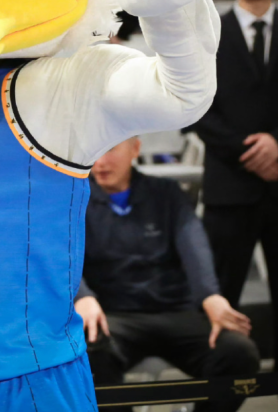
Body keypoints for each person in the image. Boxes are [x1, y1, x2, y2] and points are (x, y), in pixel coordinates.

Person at [191, 0, 278, 411]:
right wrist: (249, 151)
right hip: (229, 188)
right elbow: (194, 105)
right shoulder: (207, 32)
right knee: (221, 301)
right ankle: (214, 402)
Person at [77, 137, 259, 412]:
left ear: (135, 149)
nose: (101, 162)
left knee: (238, 352)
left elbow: (194, 246)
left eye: (110, 150)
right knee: (84, 350)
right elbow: (61, 255)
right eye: (95, 152)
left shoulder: (166, 193)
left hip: (175, 311)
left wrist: (210, 296)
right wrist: (82, 296)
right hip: (113, 316)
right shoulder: (76, 199)